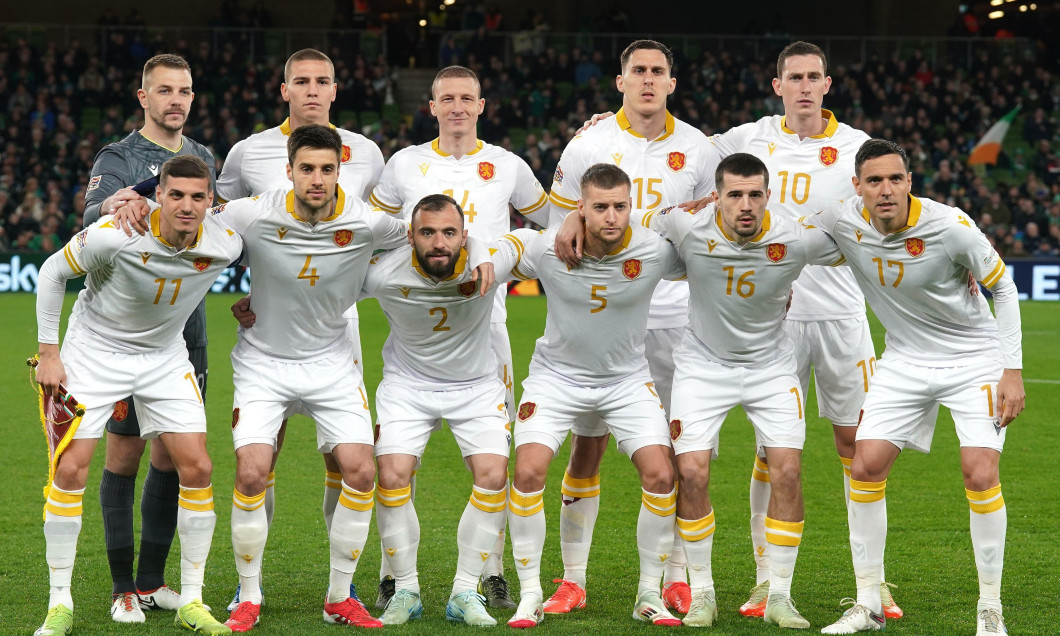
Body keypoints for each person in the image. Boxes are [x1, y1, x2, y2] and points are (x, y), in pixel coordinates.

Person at [206, 125, 491, 631]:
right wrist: (133, 204)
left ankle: (339, 596)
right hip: (263, 362)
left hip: (333, 363)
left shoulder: (367, 222)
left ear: (341, 170)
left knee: (361, 472)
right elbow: (192, 225)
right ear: (289, 170)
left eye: (328, 169)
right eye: (307, 169)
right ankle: (248, 595)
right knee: (251, 471)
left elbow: (433, 229)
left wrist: (485, 253)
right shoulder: (252, 212)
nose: (317, 179)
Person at [705, 41, 899, 619]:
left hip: (841, 317)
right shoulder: (748, 138)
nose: (806, 86)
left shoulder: (855, 147)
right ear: (778, 85)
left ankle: (874, 583)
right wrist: (598, 124)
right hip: (773, 324)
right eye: (796, 77)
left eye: (815, 77)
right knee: (771, 451)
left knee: (857, 450)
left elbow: (896, 203)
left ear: (828, 83)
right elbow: (679, 149)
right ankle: (766, 579)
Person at [817, 140, 1024, 636]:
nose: (885, 190)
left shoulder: (950, 227)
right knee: (864, 466)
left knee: (979, 473)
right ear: (858, 187)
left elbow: (1004, 288)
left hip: (973, 360)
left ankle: (989, 609)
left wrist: (1010, 371)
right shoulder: (844, 222)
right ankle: (868, 603)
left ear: (910, 182)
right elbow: (780, 234)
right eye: (874, 181)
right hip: (904, 360)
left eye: (894, 179)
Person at [366, 64, 549, 610]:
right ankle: (393, 571)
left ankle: (488, 569)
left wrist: (499, 257)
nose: (457, 108)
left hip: (486, 320)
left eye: (467, 98)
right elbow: (376, 230)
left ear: (482, 105)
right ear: (432, 106)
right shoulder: (405, 164)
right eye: (447, 99)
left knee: (494, 455)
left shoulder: (508, 165)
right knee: (398, 457)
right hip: (418, 312)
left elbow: (546, 221)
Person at [33, 155, 240, 636]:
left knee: (199, 467)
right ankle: (58, 604)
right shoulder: (115, 232)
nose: (186, 207)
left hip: (164, 356)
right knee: (70, 467)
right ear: (158, 196)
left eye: (197, 197)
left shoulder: (226, 243)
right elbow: (50, 272)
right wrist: (48, 352)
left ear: (211, 201)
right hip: (94, 351)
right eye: (176, 195)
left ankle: (192, 599)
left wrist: (252, 303)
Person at [547, 39, 719, 616]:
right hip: (603, 314)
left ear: (673, 81)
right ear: (619, 80)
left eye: (659, 71)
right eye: (638, 71)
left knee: (677, 450)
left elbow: (712, 230)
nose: (648, 79)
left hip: (674, 314)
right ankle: (573, 578)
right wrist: (573, 213)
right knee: (587, 445)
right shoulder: (589, 142)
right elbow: (557, 225)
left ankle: (673, 576)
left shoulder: (697, 147)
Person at [639, 153, 845, 629]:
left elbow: (861, 241)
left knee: (788, 470)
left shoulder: (794, 235)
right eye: (734, 195)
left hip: (772, 367)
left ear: (768, 196)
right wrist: (570, 223)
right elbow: (637, 219)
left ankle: (780, 595)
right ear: (717, 197)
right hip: (702, 365)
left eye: (755, 194)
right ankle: (703, 594)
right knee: (690, 471)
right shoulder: (688, 225)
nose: (746, 205)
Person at [215, 48, 385, 611]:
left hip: (335, 330)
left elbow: (398, 236)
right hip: (269, 333)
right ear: (284, 88)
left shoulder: (368, 156)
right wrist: (247, 292)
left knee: (351, 464)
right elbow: (210, 225)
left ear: (336, 89)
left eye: (323, 82)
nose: (312, 90)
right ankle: (248, 592)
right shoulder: (248, 155)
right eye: (302, 82)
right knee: (259, 463)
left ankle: (344, 590)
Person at [498, 163, 686, 628]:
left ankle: (649, 593)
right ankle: (533, 593)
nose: (611, 216)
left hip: (625, 380)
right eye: (599, 207)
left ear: (631, 206)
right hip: (556, 378)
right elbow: (505, 247)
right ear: (580, 208)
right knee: (527, 470)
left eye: (620, 206)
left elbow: (712, 254)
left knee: (661, 475)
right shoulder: (549, 246)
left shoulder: (654, 249)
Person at [81, 53, 216, 622]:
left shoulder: (203, 157)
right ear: (144, 97)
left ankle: (154, 581)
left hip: (188, 328)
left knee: (173, 456)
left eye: (184, 90)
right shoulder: (118, 155)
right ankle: (121, 588)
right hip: (126, 331)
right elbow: (92, 214)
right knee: (125, 454)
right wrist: (124, 197)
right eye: (165, 90)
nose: (176, 100)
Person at [359, 194, 509, 626]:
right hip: (407, 386)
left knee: (493, 475)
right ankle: (405, 589)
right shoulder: (383, 272)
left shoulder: (488, 262)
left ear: (465, 235)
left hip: (476, 386)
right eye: (427, 232)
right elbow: (325, 284)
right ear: (410, 237)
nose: (439, 242)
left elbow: (532, 244)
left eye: (449, 232)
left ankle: (464, 591)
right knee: (390, 475)